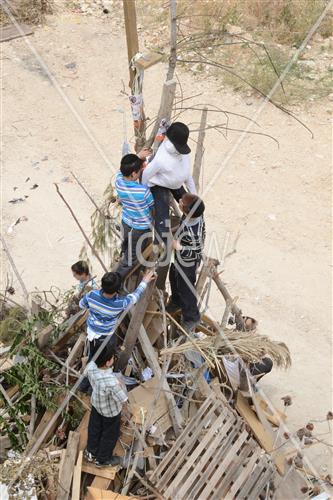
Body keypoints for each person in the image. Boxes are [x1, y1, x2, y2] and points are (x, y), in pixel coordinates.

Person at [78, 269, 155, 392]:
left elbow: (81, 305)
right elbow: (135, 296)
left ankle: (84, 386)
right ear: (117, 290)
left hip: (92, 335)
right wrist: (144, 281)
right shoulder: (120, 303)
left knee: (93, 360)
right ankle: (90, 388)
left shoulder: (92, 295)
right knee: (101, 365)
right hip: (107, 338)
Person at [141, 122, 196, 246]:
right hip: (158, 184)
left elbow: (188, 176)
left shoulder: (184, 155)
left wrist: (194, 196)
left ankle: (184, 231)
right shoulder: (161, 160)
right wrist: (144, 194)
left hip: (176, 183)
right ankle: (161, 243)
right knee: (162, 217)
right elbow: (146, 175)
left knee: (193, 208)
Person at [167, 193, 206, 332]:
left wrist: (180, 247)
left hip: (188, 261)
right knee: (173, 275)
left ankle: (191, 317)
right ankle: (176, 301)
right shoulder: (195, 215)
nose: (179, 202)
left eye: (182, 203)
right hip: (179, 255)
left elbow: (196, 252)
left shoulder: (194, 232)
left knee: (186, 288)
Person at [84, 344, 127, 467]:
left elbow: (86, 373)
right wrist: (120, 384)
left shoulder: (91, 367)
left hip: (97, 405)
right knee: (109, 435)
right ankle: (102, 460)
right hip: (110, 413)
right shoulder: (112, 382)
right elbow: (123, 399)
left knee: (94, 429)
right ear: (108, 363)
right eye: (113, 358)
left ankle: (91, 453)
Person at [115, 154, 154, 278]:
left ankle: (123, 252)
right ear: (133, 174)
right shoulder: (143, 191)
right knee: (130, 259)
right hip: (140, 229)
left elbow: (120, 172)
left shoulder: (118, 182)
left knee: (126, 244)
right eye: (138, 172)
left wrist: (138, 156)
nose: (139, 174)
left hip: (126, 222)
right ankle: (117, 281)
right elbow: (152, 206)